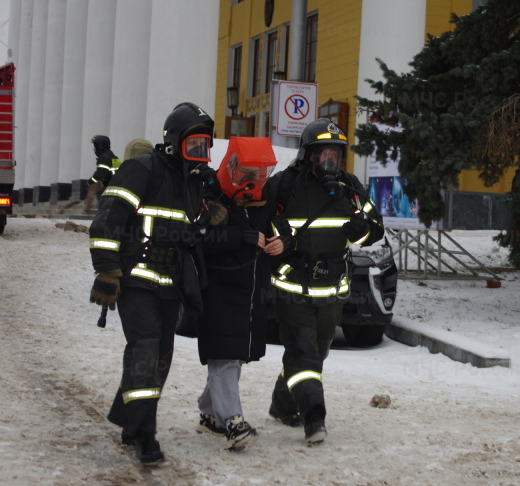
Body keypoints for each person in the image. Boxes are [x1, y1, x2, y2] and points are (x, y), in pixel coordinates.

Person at [88, 102, 225, 465]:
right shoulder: (142, 169)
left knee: (158, 360)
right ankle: (145, 436)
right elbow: (107, 220)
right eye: (193, 145)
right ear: (173, 142)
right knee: (146, 353)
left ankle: (129, 421)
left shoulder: (192, 182)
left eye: (204, 146)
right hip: (134, 280)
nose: (199, 154)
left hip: (170, 284)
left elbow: (188, 227)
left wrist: (207, 216)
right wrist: (106, 270)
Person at [264, 118, 384, 445]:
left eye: (335, 155)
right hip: (294, 288)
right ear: (307, 154)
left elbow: (377, 225)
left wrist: (365, 231)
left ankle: (282, 405)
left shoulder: (350, 187)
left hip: (332, 290)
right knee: (303, 351)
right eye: (323, 155)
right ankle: (314, 418)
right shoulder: (283, 186)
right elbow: (261, 226)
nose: (330, 162)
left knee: (316, 353)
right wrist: (284, 241)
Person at [195, 137, 293, 451]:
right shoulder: (211, 196)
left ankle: (209, 412)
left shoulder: (265, 200)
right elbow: (200, 239)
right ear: (233, 167)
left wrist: (282, 241)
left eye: (261, 174)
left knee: (234, 355)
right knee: (224, 356)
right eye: (249, 173)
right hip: (219, 290)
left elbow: (281, 227)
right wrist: (242, 236)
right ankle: (232, 421)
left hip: (252, 293)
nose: (255, 180)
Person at [84, 135, 121, 213]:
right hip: (115, 183)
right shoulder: (113, 156)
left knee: (93, 191)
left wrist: (90, 182)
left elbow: (100, 173)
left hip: (110, 185)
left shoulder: (104, 157)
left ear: (100, 146)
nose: (93, 149)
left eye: (95, 146)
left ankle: (87, 209)